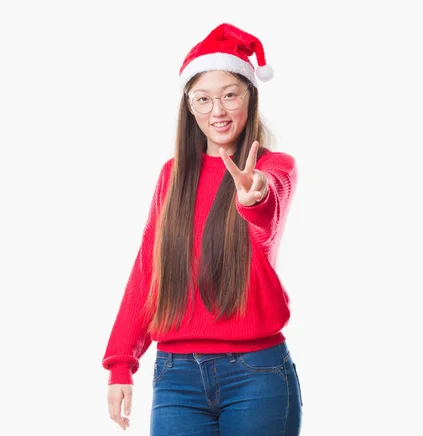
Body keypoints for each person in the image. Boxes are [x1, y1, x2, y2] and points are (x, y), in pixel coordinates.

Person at [102, 23, 302, 435]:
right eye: (204, 99)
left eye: (230, 95)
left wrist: (256, 198)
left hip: (257, 373)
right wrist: (121, 361)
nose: (218, 111)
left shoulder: (274, 168)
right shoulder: (172, 176)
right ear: (189, 107)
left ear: (251, 96)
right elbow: (147, 271)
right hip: (176, 378)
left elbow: (268, 215)